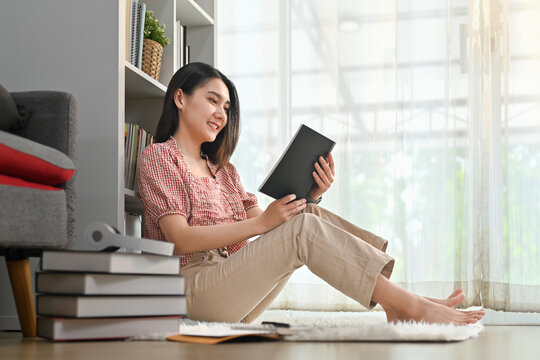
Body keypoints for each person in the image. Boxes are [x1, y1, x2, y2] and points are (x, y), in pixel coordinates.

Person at [137, 62, 485, 325]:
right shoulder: (159, 157)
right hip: (192, 291)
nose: (221, 115)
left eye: (227, 108)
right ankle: (407, 305)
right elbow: (179, 239)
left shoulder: (223, 171)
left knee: (305, 216)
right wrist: (264, 224)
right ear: (180, 98)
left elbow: (268, 223)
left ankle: (399, 300)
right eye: (213, 101)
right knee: (300, 228)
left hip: (231, 286)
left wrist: (309, 197)